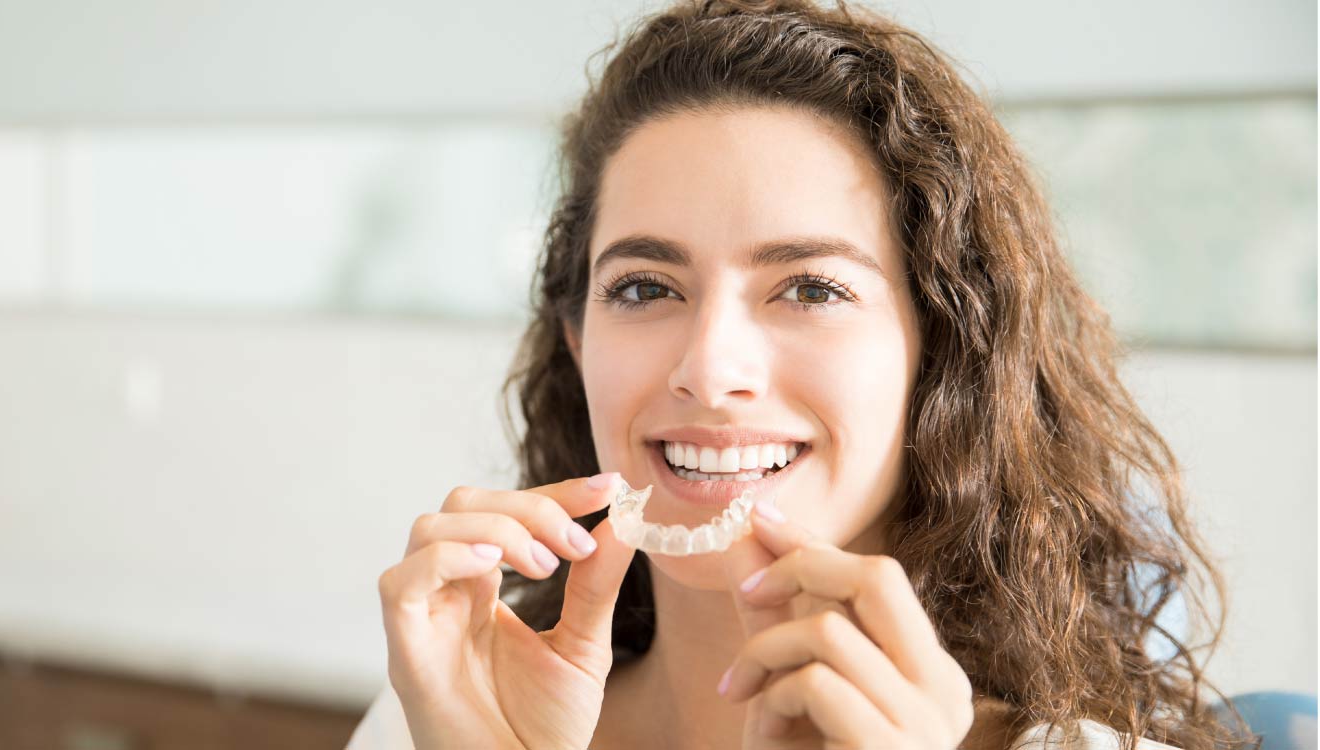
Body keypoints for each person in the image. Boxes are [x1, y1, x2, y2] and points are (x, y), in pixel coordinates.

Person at [352, 0, 1262, 748]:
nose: (710, 370)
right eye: (643, 286)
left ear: (942, 354)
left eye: (811, 288)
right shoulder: (434, 719)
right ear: (578, 341)